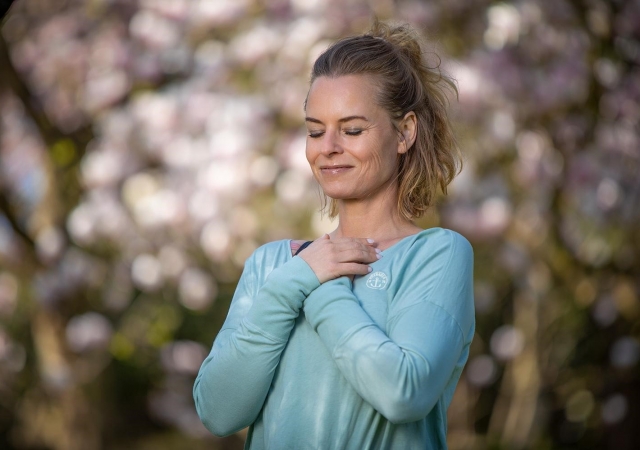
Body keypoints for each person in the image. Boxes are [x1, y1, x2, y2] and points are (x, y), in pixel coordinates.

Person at [194, 20, 474, 450]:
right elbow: (218, 412)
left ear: (405, 132)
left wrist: (319, 288)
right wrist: (290, 284)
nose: (327, 147)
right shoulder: (273, 265)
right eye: (314, 130)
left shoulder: (437, 254)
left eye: (352, 130)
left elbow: (403, 393)